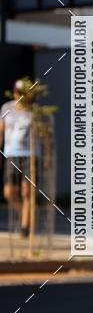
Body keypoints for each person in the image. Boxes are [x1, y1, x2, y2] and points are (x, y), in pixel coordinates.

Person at [0, 79, 36, 237]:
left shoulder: (33, 111)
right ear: (14, 92)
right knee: (9, 192)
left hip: (29, 155)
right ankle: (24, 215)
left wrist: (46, 156)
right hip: (11, 153)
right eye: (17, 93)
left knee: (27, 191)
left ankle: (25, 226)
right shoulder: (6, 108)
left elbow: (42, 135)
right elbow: (1, 131)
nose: (19, 96)